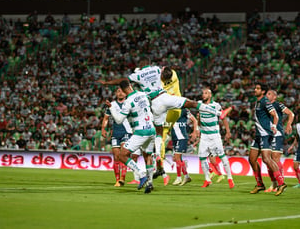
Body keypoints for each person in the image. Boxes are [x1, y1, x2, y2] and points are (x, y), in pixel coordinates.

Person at [98, 57, 232, 176]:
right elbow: (167, 74)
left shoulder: (137, 74)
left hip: (155, 103)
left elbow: (123, 81)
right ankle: (220, 113)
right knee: (191, 103)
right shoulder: (156, 69)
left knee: (159, 131)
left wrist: (107, 83)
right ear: (149, 63)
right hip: (165, 96)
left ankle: (157, 157)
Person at [105, 80, 155, 194]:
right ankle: (150, 183)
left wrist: (112, 107)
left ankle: (142, 175)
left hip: (141, 132)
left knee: (122, 155)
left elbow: (118, 120)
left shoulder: (128, 102)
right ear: (131, 86)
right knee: (148, 156)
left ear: (122, 90)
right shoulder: (143, 94)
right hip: (152, 129)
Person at [249, 83, 287, 196]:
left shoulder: (265, 101)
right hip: (258, 135)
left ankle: (281, 183)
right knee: (252, 159)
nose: (255, 89)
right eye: (255, 88)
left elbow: (275, 115)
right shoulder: (258, 102)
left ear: (263, 91)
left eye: (258, 88)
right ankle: (260, 184)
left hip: (265, 134)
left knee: (266, 159)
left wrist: (274, 126)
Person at [197, 88, 234, 189]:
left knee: (222, 156)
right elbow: (199, 118)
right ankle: (207, 179)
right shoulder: (200, 104)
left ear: (210, 95)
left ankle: (230, 178)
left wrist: (228, 131)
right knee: (202, 157)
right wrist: (198, 127)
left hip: (214, 135)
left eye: (206, 93)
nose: (203, 95)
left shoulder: (216, 105)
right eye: (203, 93)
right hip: (204, 136)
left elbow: (223, 117)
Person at [102, 87, 134, 187]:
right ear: (116, 93)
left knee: (123, 155)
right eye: (118, 91)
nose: (120, 93)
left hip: (127, 132)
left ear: (125, 93)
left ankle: (122, 179)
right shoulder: (112, 105)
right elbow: (106, 118)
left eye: (122, 91)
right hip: (115, 133)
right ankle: (117, 180)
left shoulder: (129, 103)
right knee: (116, 157)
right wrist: (103, 128)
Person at [265, 90, 294, 192]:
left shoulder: (278, 105)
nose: (266, 95)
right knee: (268, 160)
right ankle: (274, 184)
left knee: (275, 159)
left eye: (269, 94)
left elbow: (291, 113)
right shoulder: (264, 105)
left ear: (274, 96)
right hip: (267, 134)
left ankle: (281, 183)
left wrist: (289, 124)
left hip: (277, 134)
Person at [171, 108, 198, 186]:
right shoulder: (170, 109)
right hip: (174, 137)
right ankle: (186, 176)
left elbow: (194, 120)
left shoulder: (184, 110)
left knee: (177, 158)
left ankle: (179, 178)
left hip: (181, 137)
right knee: (177, 158)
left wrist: (194, 132)